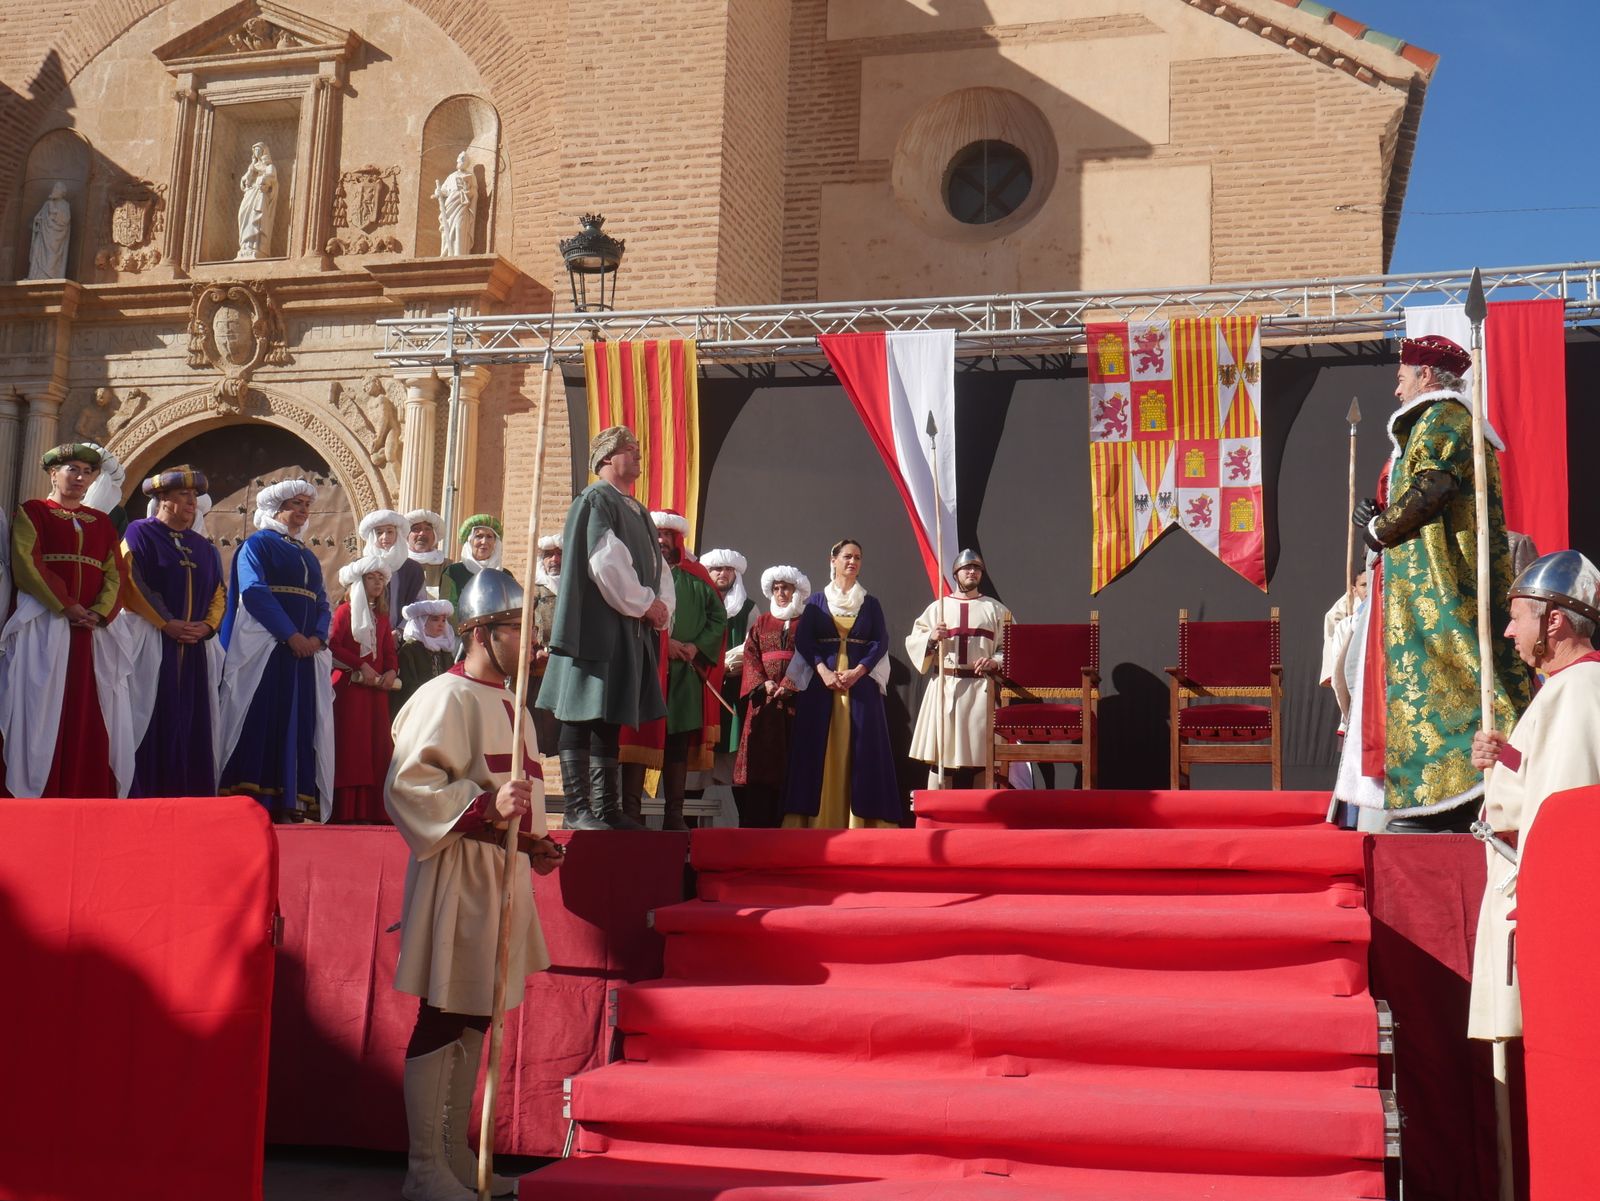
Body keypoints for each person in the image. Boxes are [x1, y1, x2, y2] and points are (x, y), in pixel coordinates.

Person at [386, 568, 562, 1201]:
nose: (531, 640)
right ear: (483, 633)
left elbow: (521, 797)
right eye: (519, 628)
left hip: (502, 873)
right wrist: (486, 807)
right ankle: (424, 1170)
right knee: (445, 1011)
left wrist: (537, 843)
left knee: (476, 1016)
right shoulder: (444, 697)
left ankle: (457, 1159)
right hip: (460, 871)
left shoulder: (514, 703)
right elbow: (408, 785)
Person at [1335, 334, 1530, 831]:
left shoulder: (1442, 417)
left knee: (1453, 671)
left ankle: (1455, 789)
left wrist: (1378, 528)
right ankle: (1431, 790)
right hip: (1415, 580)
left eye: (1400, 377)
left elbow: (1434, 487)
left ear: (1425, 375)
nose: (1396, 389)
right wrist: (1381, 515)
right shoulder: (1437, 422)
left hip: (1438, 585)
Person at [1467, 551, 1600, 1042]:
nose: (1508, 631)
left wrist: (1544, 915)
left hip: (1548, 909)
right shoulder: (1564, 688)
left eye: (1518, 616)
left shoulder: (1579, 689)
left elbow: (1564, 819)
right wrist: (1509, 759)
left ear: (1555, 621)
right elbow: (1549, 781)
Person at [538, 426, 673, 832]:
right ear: (607, 458)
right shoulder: (596, 500)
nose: (638, 457)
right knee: (581, 713)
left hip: (625, 629)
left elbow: (658, 566)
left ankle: (606, 806)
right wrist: (646, 604)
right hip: (595, 628)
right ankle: (578, 808)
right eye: (630, 450)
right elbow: (604, 561)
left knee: (607, 716)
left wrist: (662, 605)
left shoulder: (637, 510)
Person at [0, 443, 124, 797]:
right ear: (53, 474)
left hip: (90, 630)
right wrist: (66, 605)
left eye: (87, 473)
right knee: (39, 707)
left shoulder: (100, 523)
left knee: (87, 707)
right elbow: (27, 562)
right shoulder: (34, 512)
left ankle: (81, 789)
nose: (80, 478)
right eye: (72, 470)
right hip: (45, 622)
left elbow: (116, 572)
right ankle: (37, 789)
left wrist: (100, 612)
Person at [216, 480, 334, 823]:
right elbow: (254, 592)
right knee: (262, 715)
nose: (302, 511)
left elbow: (323, 600)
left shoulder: (308, 555)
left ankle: (291, 797)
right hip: (267, 650)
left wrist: (317, 637)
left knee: (298, 720)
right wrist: (289, 635)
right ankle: (251, 795)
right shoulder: (257, 545)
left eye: (305, 505)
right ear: (276, 508)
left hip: (303, 655)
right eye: (295, 504)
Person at [117, 465, 227, 797]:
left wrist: (207, 626)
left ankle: (188, 793)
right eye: (184, 494)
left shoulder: (204, 547)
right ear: (162, 498)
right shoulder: (140, 533)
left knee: (193, 718)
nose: (193, 502)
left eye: (195, 495)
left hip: (194, 645)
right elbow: (132, 581)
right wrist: (167, 622)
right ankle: (144, 792)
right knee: (148, 713)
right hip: (151, 640)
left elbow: (219, 592)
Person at [619, 512, 726, 831]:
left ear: (678, 539)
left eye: (668, 535)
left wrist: (694, 647)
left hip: (684, 677)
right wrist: (668, 645)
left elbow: (717, 619)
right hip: (648, 671)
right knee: (639, 740)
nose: (662, 541)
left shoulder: (698, 576)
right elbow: (628, 613)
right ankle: (631, 814)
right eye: (657, 535)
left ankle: (675, 815)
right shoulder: (637, 576)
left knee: (677, 743)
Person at [784, 539, 901, 829]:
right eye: (847, 556)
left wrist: (858, 672)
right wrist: (823, 672)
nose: (853, 562)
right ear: (832, 560)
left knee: (863, 749)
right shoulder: (815, 603)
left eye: (858, 558)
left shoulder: (870, 603)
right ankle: (814, 821)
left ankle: (863, 822)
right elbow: (804, 640)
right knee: (816, 749)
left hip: (859, 689)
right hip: (821, 689)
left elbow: (879, 641)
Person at [906, 549, 1012, 789]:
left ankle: (982, 817)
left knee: (982, 759)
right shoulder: (937, 609)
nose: (972, 572)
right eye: (966, 568)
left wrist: (995, 662)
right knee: (941, 758)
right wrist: (932, 638)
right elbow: (914, 641)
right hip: (945, 687)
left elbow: (1012, 647)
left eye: (976, 568)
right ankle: (936, 816)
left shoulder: (996, 610)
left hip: (981, 689)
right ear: (956, 573)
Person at [734, 566, 809, 828]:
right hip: (763, 706)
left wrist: (790, 683)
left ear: (796, 590)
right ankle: (756, 824)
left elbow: (810, 656)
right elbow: (750, 654)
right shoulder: (761, 622)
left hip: (794, 704)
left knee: (790, 764)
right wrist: (762, 682)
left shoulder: (807, 622)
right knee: (760, 766)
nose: (781, 593)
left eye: (785, 588)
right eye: (776, 589)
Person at [329, 557, 399, 823]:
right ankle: (347, 810)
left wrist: (392, 670)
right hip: (350, 691)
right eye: (372, 578)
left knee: (376, 748)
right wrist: (360, 665)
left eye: (381, 578)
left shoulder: (381, 617)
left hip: (376, 694)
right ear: (358, 582)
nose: (378, 582)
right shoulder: (345, 612)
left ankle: (374, 809)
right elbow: (334, 645)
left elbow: (389, 651)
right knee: (352, 748)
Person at [701, 548, 755, 814]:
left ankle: (746, 833)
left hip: (731, 693)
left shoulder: (748, 609)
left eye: (728, 569)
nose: (723, 574)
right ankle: (685, 835)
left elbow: (749, 647)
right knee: (694, 768)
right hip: (699, 691)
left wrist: (719, 664)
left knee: (736, 769)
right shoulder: (697, 602)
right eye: (717, 569)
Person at [361, 509, 425, 636]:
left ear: (398, 534)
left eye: (390, 532)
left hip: (404, 637)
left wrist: (401, 631)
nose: (385, 537)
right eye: (379, 532)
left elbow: (420, 605)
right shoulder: (362, 566)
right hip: (368, 635)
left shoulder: (413, 569)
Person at [530, 533, 563, 756]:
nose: (554, 560)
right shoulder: (535, 591)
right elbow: (525, 625)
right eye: (549, 555)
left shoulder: (579, 588)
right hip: (540, 669)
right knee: (537, 730)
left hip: (568, 669)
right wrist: (536, 651)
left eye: (559, 554)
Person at [394, 599, 457, 715]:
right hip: (417, 711)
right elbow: (408, 686)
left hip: (443, 710)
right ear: (421, 622)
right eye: (435, 619)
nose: (441, 624)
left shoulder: (445, 651)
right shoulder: (409, 650)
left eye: (443, 620)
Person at [441, 514, 504, 609]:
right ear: (469, 541)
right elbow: (447, 609)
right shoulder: (453, 572)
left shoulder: (505, 575)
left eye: (489, 537)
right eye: (479, 536)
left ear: (495, 542)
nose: (484, 541)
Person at [432, 151, 478, 257]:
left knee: (459, 228)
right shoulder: (451, 176)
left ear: (467, 163)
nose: (461, 160)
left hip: (462, 207)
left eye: (464, 159)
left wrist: (467, 191)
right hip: (450, 207)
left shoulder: (471, 176)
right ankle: (447, 254)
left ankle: (459, 254)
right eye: (460, 158)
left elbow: (475, 193)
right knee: (446, 230)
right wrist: (438, 192)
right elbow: (444, 190)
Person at [237, 141, 278, 260]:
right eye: (255, 150)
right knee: (244, 215)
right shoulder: (252, 166)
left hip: (260, 195)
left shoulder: (269, 166)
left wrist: (263, 178)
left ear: (264, 151)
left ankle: (257, 247)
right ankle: (245, 246)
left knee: (257, 218)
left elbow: (272, 178)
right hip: (250, 194)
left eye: (259, 149)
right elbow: (244, 181)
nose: (257, 152)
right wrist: (248, 176)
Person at [25, 182, 70, 280]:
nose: (54, 189)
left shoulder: (65, 205)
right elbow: (38, 217)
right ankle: (36, 276)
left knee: (52, 257)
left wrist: (55, 212)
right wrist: (38, 221)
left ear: (62, 192)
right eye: (54, 187)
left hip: (55, 237)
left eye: (57, 188)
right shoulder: (47, 203)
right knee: (38, 254)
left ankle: (50, 276)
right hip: (43, 236)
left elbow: (65, 220)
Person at [406, 509, 448, 594]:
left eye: (427, 529)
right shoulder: (398, 564)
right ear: (407, 536)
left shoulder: (447, 566)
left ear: (434, 537)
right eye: (416, 529)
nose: (422, 533)